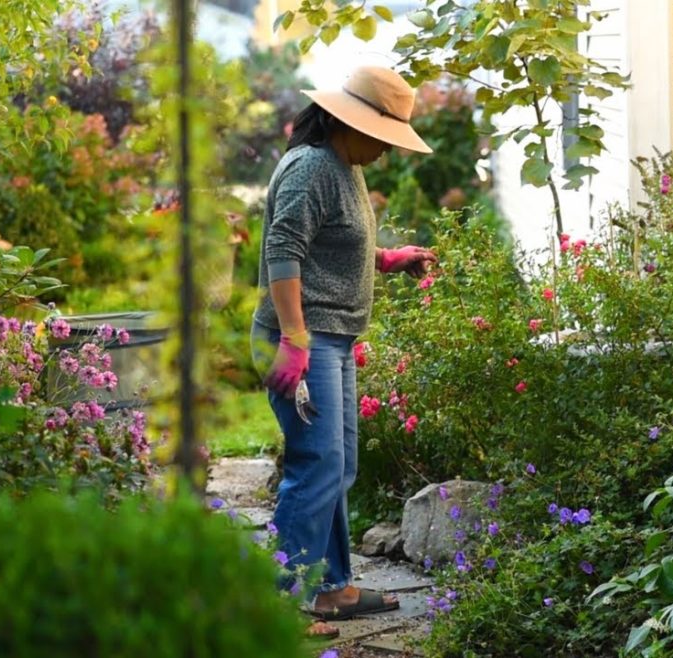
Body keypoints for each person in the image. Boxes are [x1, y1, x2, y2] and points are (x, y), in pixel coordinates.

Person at [250, 66, 436, 638]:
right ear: (349, 121)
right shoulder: (312, 167)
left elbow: (330, 243)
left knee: (339, 465)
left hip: (331, 339)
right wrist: (296, 339)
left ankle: (332, 589)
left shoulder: (342, 165)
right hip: (301, 340)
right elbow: (283, 252)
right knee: (317, 465)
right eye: (382, 135)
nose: (386, 148)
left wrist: (385, 258)